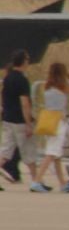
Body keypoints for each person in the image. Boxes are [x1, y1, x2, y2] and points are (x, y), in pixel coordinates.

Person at [27, 61, 69, 193]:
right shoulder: (62, 86)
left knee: (56, 154)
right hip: (58, 121)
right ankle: (36, 180)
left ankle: (62, 183)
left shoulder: (47, 86)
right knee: (52, 153)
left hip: (48, 120)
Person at [0, 50, 32, 186]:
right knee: (29, 150)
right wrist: (29, 123)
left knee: (6, 150)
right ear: (24, 61)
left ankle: (35, 178)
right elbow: (24, 103)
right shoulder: (22, 79)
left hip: (8, 118)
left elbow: (3, 95)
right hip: (19, 120)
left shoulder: (7, 78)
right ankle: (37, 179)